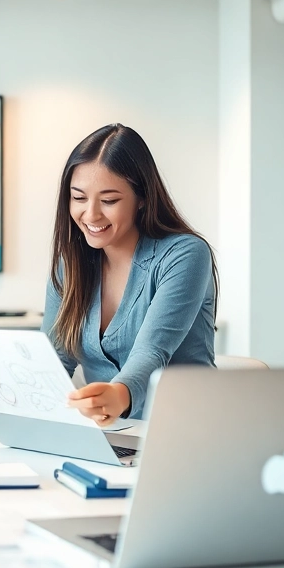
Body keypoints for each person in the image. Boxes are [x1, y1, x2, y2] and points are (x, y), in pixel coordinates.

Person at [43, 123, 216, 425]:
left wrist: (118, 395)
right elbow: (54, 360)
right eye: (79, 198)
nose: (91, 214)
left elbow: (152, 352)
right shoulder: (69, 263)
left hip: (185, 431)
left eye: (109, 200)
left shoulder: (185, 255)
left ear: (143, 198)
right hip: (111, 434)